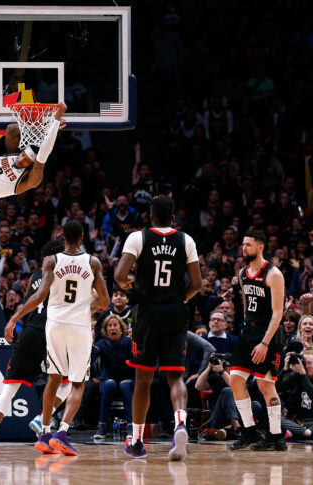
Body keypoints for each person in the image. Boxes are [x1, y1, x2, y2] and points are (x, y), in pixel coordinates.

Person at [7, 220, 110, 456]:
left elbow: (40, 294)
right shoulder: (92, 262)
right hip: (79, 326)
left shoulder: (51, 261)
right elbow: (104, 301)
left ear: (62, 236)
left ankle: (43, 434)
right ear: (82, 237)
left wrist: (16, 317)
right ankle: (62, 432)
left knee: (53, 378)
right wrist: (86, 307)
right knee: (77, 383)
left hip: (53, 325)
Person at [114, 195, 201, 461]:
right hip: (175, 311)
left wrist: (132, 284)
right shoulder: (186, 240)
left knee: (143, 379)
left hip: (148, 314)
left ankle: (138, 440)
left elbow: (119, 275)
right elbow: (196, 283)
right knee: (176, 376)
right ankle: (180, 423)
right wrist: (178, 299)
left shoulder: (138, 238)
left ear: (150, 216)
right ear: (173, 218)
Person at [0, 240, 72, 454]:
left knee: (9, 388)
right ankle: (41, 419)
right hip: (53, 334)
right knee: (70, 384)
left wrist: (14, 319)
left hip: (29, 332)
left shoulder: (35, 276)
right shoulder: (66, 276)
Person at [228, 230, 288, 451]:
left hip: (268, 335)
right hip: (248, 332)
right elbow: (246, 305)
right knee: (235, 379)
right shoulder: (243, 272)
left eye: (248, 245)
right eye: (243, 245)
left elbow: (277, 313)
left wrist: (264, 343)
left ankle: (276, 436)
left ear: (260, 247)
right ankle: (250, 430)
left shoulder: (273, 274)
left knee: (265, 384)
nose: (243, 249)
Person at [92, 314, 136, 440]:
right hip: (108, 379)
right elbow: (91, 360)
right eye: (109, 326)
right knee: (110, 384)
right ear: (106, 330)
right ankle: (102, 426)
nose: (112, 328)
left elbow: (136, 360)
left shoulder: (128, 341)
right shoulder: (101, 343)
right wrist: (91, 344)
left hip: (127, 378)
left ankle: (131, 426)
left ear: (121, 328)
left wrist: (135, 342)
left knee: (124, 384)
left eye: (115, 325)